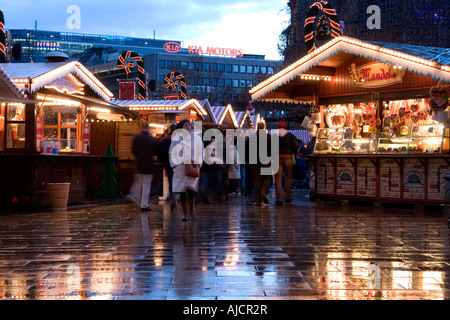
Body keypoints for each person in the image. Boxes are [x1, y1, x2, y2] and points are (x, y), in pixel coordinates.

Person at [169, 120, 204, 221]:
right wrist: (175, 164)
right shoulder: (176, 139)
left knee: (191, 189)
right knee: (182, 191)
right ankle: (185, 213)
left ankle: (192, 209)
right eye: (185, 125)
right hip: (180, 168)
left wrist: (198, 163)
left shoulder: (196, 138)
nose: (188, 127)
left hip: (192, 166)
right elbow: (172, 151)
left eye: (189, 125)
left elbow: (201, 151)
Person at [128, 125, 158, 212]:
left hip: (138, 164)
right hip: (148, 165)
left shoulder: (136, 138)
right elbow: (155, 152)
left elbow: (133, 150)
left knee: (139, 182)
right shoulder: (151, 139)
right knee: (146, 185)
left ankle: (134, 194)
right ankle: (144, 205)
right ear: (148, 129)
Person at [245, 122, 272, 206]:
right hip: (266, 160)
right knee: (266, 179)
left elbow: (247, 150)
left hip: (254, 161)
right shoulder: (269, 137)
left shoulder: (251, 137)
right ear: (264, 127)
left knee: (257, 181)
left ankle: (257, 200)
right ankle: (264, 192)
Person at [274, 120, 299, 205]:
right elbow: (296, 146)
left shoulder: (274, 136)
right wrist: (292, 151)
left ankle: (279, 199)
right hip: (288, 158)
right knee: (288, 178)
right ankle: (288, 197)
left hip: (277, 158)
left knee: (278, 179)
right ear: (285, 127)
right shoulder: (290, 135)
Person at [156, 123, 177, 211]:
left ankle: (170, 196)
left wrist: (162, 161)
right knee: (176, 182)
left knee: (170, 182)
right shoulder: (177, 140)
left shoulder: (163, 140)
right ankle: (173, 197)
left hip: (167, 164)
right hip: (176, 164)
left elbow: (159, 152)